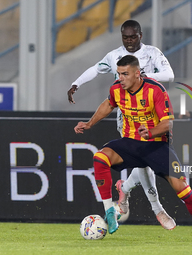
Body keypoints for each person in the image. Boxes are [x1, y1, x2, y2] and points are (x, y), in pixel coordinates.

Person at [74, 55, 192, 240]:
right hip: (130, 143)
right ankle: (109, 211)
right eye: (119, 74)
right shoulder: (117, 89)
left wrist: (150, 132)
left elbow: (168, 124)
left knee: (182, 189)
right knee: (100, 157)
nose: (121, 78)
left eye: (125, 74)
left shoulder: (155, 90)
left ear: (137, 73)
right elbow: (109, 104)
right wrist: (89, 123)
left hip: (156, 145)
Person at [68, 20, 176, 229]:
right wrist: (76, 83)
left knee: (147, 162)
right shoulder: (113, 56)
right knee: (142, 162)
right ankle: (157, 209)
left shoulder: (153, 53)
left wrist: (143, 76)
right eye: (125, 37)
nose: (129, 41)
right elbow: (95, 69)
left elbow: (169, 75)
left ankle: (125, 188)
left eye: (132, 37)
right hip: (127, 118)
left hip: (155, 117)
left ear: (140, 35)